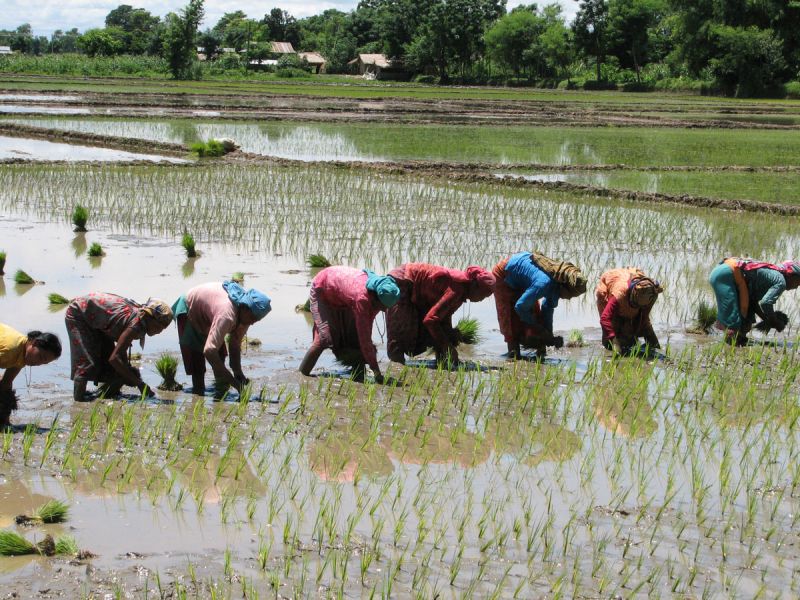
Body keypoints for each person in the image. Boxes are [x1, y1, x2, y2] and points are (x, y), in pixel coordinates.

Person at [299, 266, 400, 382]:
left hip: (342, 297)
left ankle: (358, 375)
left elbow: (364, 333)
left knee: (355, 337)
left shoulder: (378, 294)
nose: (384, 310)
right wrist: (377, 372)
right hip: (323, 289)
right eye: (383, 307)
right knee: (324, 338)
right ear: (377, 299)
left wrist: (369, 356)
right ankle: (302, 375)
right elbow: (365, 337)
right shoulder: (362, 299)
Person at [66, 293, 173, 402]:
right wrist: (139, 384)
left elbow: (120, 352)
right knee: (87, 361)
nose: (159, 332)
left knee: (115, 366)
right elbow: (114, 358)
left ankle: (107, 393)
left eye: (162, 329)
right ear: (149, 317)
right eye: (157, 327)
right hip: (79, 313)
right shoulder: (136, 325)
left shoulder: (141, 321)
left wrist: (128, 371)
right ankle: (79, 399)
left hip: (98, 319)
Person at [173, 281, 271, 395]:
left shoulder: (245, 317)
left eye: (256, 320)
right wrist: (233, 383)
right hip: (190, 307)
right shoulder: (226, 315)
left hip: (210, 310)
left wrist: (237, 372)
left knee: (220, 355)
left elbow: (235, 343)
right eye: (253, 318)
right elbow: (209, 351)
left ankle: (220, 390)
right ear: (245, 308)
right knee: (197, 363)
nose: (253, 323)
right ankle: (198, 393)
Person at [386, 263, 494, 366]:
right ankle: (397, 368)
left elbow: (443, 319)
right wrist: (447, 347)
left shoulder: (461, 293)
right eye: (483, 295)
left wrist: (450, 338)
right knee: (399, 334)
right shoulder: (456, 290)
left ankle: (443, 362)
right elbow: (430, 320)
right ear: (474, 286)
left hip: (418, 291)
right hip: (403, 280)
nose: (481, 300)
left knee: (446, 332)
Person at [493, 251, 587, 359]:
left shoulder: (555, 286)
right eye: (571, 294)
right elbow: (520, 307)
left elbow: (547, 310)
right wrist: (538, 327)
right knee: (509, 318)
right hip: (504, 273)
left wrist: (549, 336)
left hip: (523, 278)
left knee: (535, 314)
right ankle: (513, 353)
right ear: (563, 286)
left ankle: (541, 353)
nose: (570, 298)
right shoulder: (544, 283)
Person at [709, 258, 800, 345]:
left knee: (746, 322)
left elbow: (752, 302)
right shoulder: (781, 282)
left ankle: (735, 342)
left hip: (725, 272)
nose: (797, 287)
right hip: (727, 275)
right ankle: (729, 349)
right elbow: (766, 303)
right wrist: (774, 321)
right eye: (799, 282)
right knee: (733, 321)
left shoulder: (773, 276)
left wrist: (766, 319)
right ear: (792, 275)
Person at [0, 324, 61, 428]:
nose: (38, 363)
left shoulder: (23, 355)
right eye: (40, 357)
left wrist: (5, 421)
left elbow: (6, 384)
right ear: (34, 343)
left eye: (43, 363)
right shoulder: (11, 350)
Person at [596, 267, 663, 355]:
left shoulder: (652, 293)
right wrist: (615, 342)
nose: (638, 307)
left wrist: (653, 342)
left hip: (630, 285)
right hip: (610, 286)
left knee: (634, 337)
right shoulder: (620, 294)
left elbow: (644, 318)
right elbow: (605, 318)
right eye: (637, 305)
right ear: (633, 295)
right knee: (610, 342)